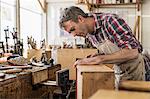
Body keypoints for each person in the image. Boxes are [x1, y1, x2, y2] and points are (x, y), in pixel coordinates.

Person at [59, 6, 150, 86]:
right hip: (120, 71)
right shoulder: (89, 33)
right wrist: (98, 55)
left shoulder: (110, 21)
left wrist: (99, 59)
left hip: (139, 71)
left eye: (73, 29)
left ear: (80, 19)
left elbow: (133, 52)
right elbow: (113, 50)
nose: (74, 35)